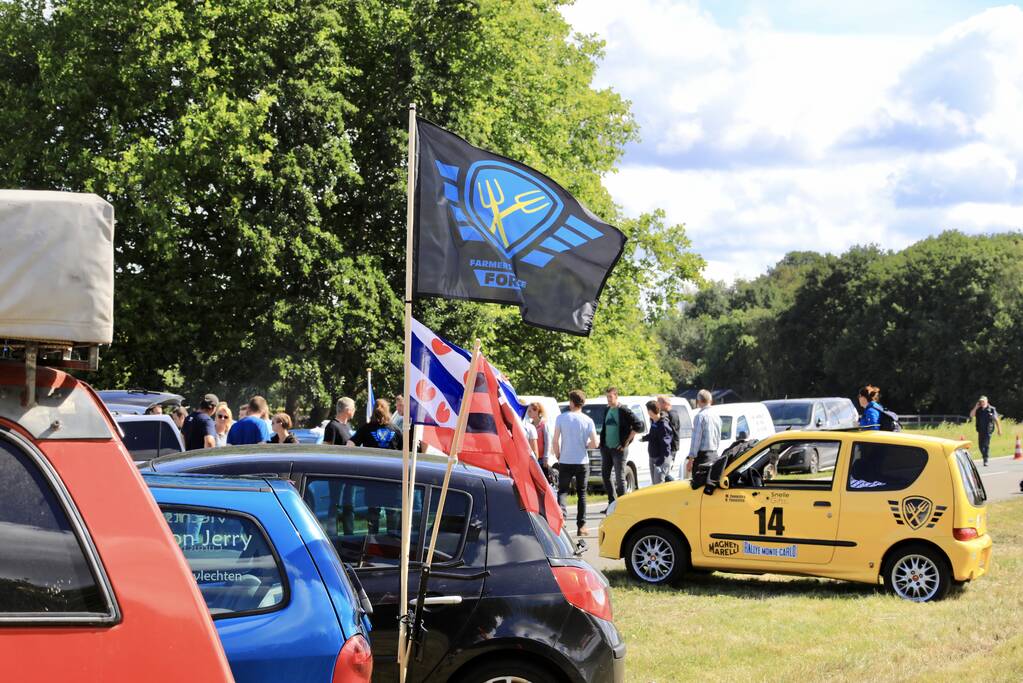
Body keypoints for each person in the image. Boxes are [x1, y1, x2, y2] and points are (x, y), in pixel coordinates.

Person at [553, 390, 598, 537]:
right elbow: (595, 443)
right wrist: (586, 445)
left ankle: (562, 520)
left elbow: (555, 440)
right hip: (582, 461)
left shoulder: (561, 418)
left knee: (563, 491)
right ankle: (582, 526)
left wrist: (558, 454)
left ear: (572, 402)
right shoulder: (588, 420)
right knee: (582, 494)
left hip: (566, 459)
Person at [599, 387, 642, 504]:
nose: (608, 399)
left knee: (620, 477)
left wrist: (626, 442)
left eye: (610, 397)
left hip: (619, 450)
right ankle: (612, 503)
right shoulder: (607, 409)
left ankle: (622, 504)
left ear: (616, 396)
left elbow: (638, 425)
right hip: (606, 448)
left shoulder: (623, 410)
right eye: (607, 397)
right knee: (605, 475)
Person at [686, 389, 721, 479]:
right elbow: (718, 438)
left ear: (698, 401)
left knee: (698, 489)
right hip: (714, 456)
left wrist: (690, 460)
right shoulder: (716, 416)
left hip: (702, 458)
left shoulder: (700, 416)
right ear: (711, 401)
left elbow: (696, 441)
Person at [642, 400, 674, 485]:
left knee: (659, 485)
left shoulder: (663, 424)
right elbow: (653, 435)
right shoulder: (653, 421)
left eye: (647, 410)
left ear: (650, 411)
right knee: (654, 485)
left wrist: (660, 461)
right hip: (652, 457)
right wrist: (644, 438)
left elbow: (666, 445)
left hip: (661, 459)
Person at [969, 395, 1003, 466]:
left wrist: (999, 430)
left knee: (986, 444)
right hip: (980, 430)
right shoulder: (978, 409)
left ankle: (985, 459)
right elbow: (971, 415)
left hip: (988, 430)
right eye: (981, 402)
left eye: (983, 401)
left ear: (987, 401)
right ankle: (985, 456)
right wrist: (976, 407)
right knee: (980, 446)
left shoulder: (991, 409)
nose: (982, 403)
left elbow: (996, 420)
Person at [527, 402, 553, 482]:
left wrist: (546, 457)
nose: (528, 413)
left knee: (544, 480)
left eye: (530, 411)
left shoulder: (543, 424)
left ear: (537, 411)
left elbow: (548, 441)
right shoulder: (530, 425)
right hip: (533, 457)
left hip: (542, 459)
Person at [656, 395, 680, 481]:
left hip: (671, 448)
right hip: (669, 448)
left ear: (665, 403)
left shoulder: (671, 415)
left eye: (658, 403)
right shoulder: (668, 414)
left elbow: (671, 433)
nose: (657, 406)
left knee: (666, 474)